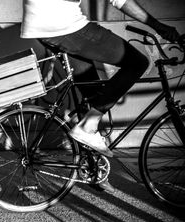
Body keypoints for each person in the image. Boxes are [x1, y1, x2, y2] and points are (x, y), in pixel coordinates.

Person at [21, 0, 180, 193]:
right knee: (137, 63)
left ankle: (93, 168)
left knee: (93, 95)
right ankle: (88, 125)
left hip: (40, 26)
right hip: (63, 26)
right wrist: (158, 26)